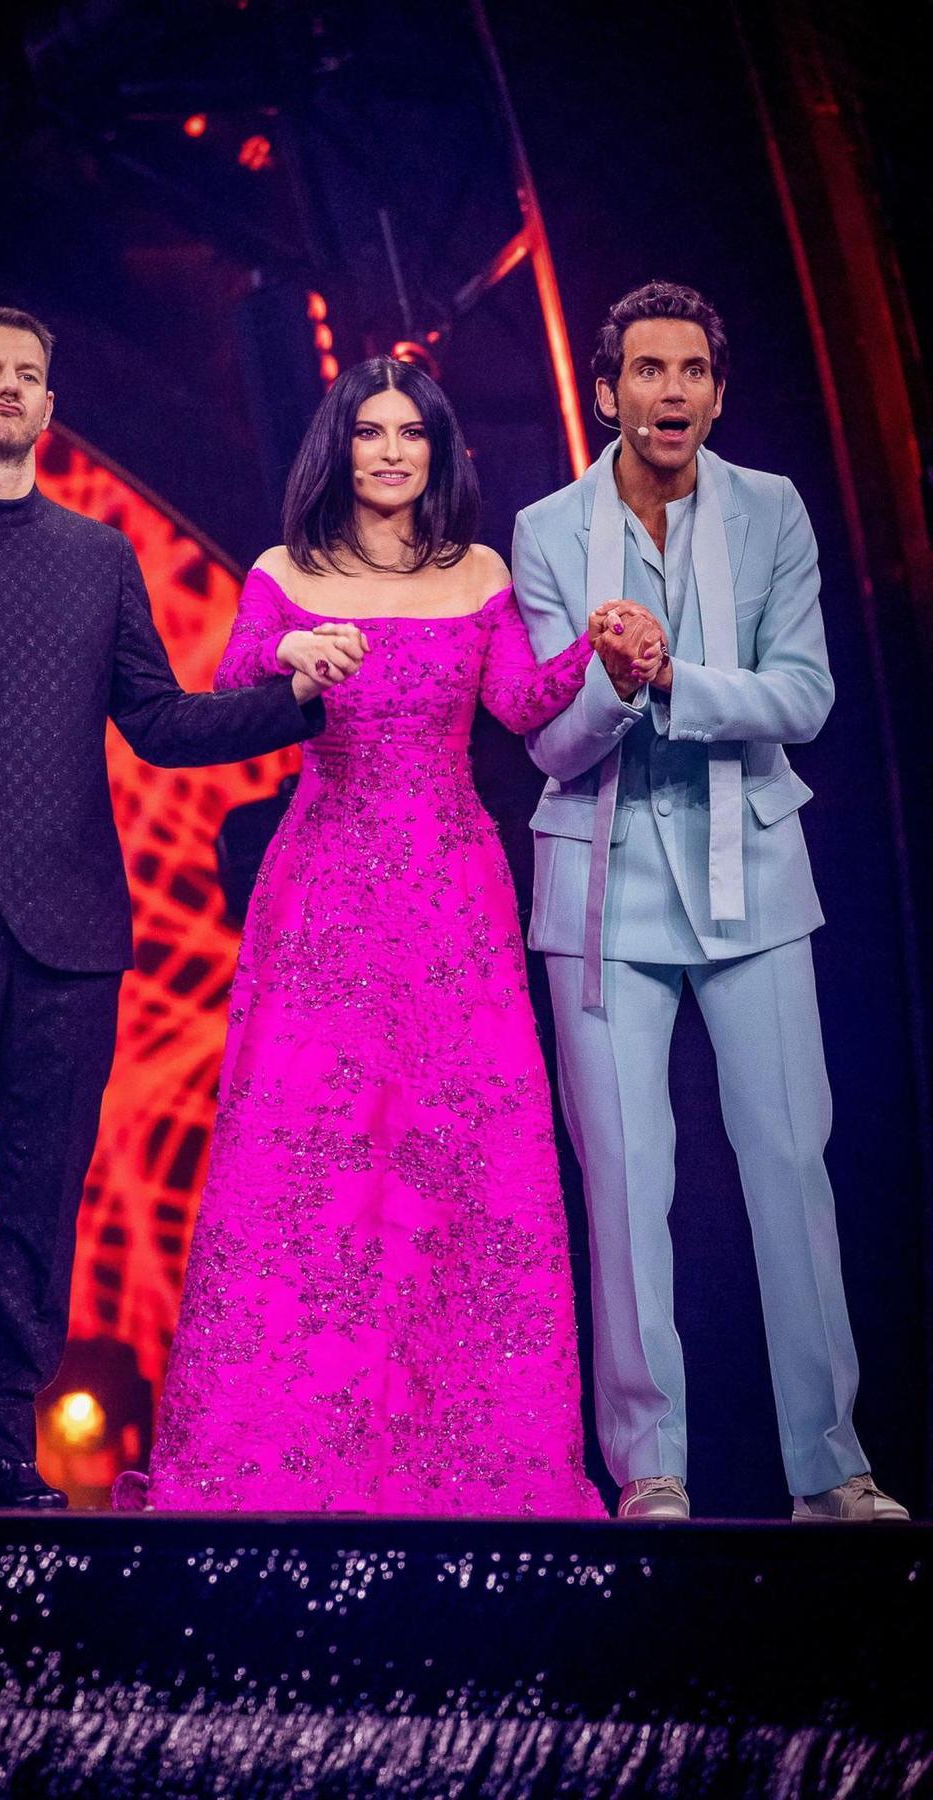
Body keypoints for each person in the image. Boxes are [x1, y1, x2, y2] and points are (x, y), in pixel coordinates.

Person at [0, 304, 340, 1509]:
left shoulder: (98, 557)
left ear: (51, 411)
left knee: (42, 1206)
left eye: (29, 375)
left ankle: (5, 1447)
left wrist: (292, 699)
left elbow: (156, 722)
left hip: (72, 934)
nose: (8, 388)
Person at [120, 357, 630, 1517]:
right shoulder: (282, 573)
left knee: (463, 1160)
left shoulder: (480, 570)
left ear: (437, 450)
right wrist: (292, 659)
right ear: (338, 449)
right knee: (311, 1163)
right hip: (324, 889)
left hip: (454, 894)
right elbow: (230, 695)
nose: (391, 450)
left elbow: (518, 706)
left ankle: (468, 1458)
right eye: (369, 432)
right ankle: (289, 1454)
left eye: (410, 432)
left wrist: (599, 654)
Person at [512, 280, 907, 1523]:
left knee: (790, 1163)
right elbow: (546, 743)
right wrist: (614, 688)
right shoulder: (546, 529)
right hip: (601, 882)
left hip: (755, 878)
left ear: (717, 393)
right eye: (646, 369)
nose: (669, 391)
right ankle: (651, 1471)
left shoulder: (772, 510)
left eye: (691, 371)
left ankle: (830, 1466)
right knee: (626, 1179)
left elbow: (806, 696)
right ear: (608, 389)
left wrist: (674, 674)